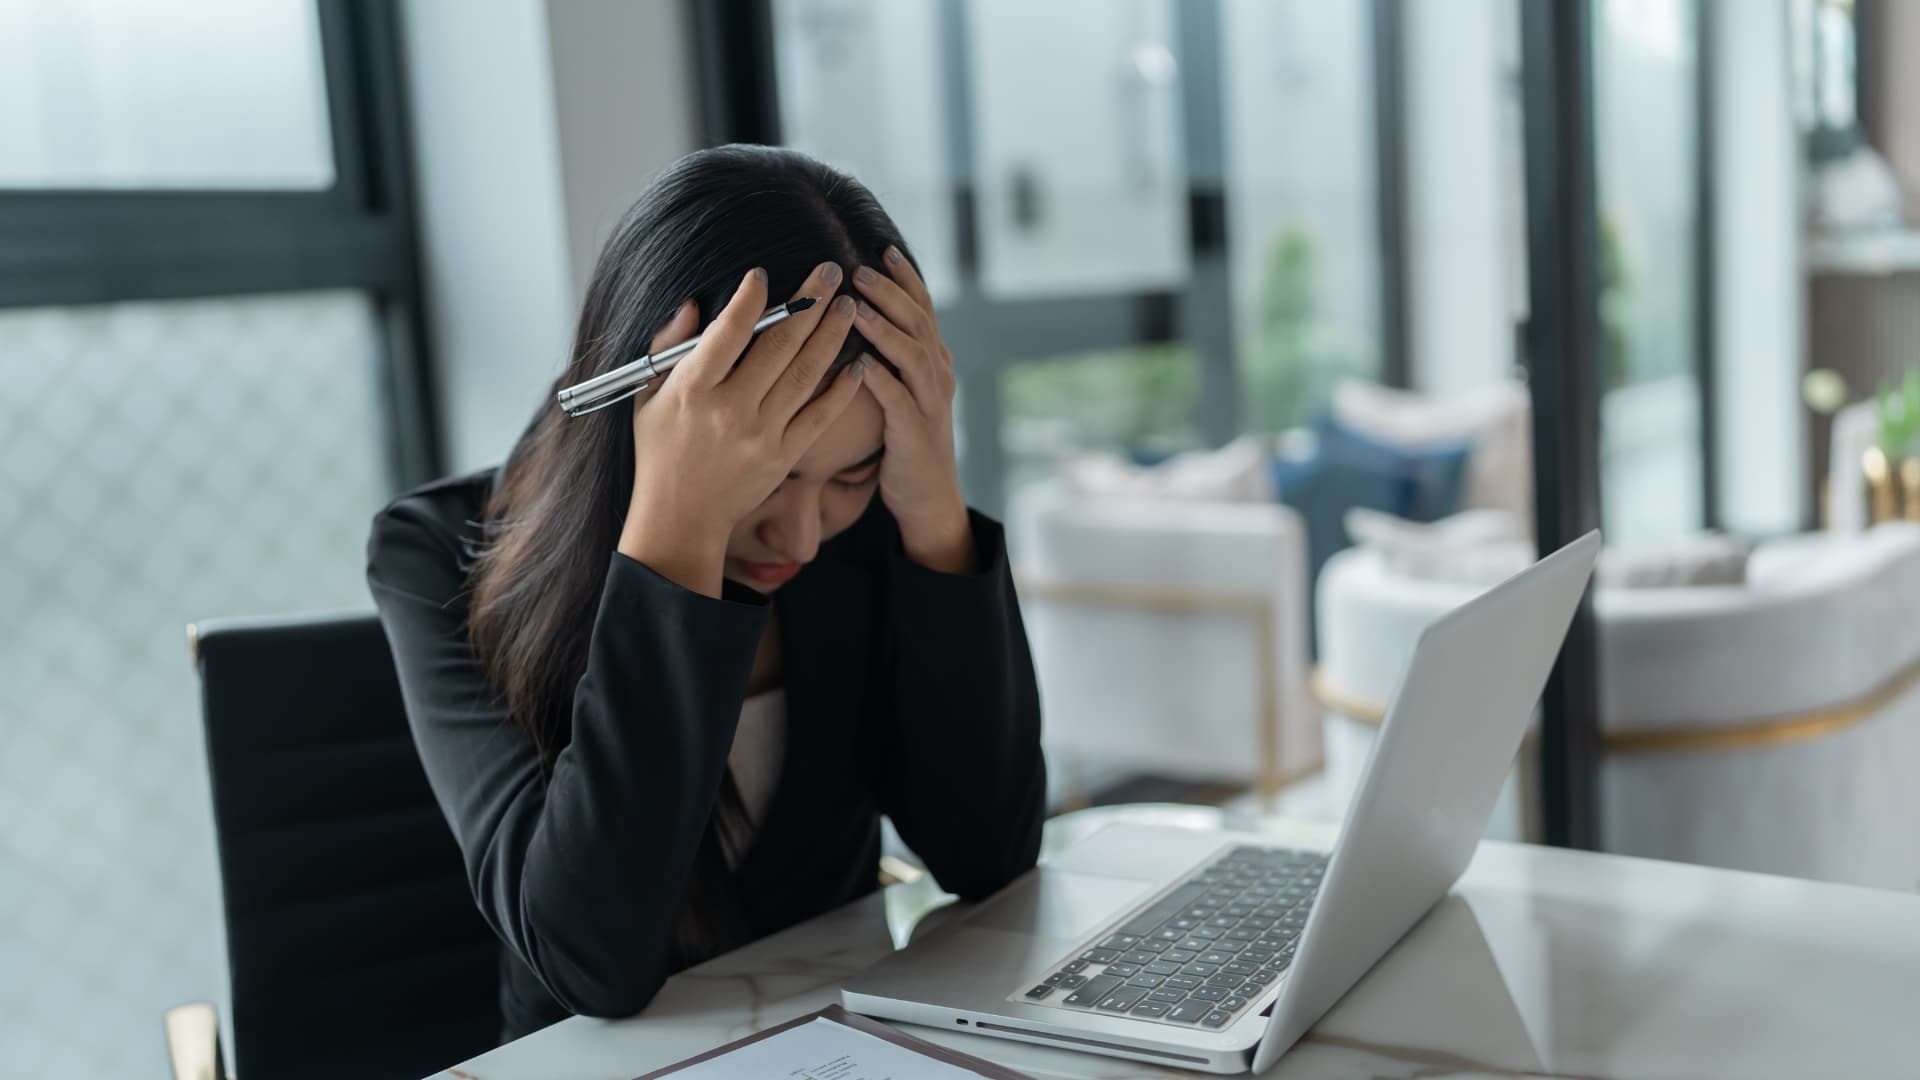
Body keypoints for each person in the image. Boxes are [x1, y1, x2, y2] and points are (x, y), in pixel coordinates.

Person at [366, 145, 1046, 1041]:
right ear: (650, 414)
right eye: (770, 477)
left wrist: (931, 509)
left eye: (851, 476)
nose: (802, 537)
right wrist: (674, 529)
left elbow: (987, 856)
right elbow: (590, 962)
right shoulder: (435, 554)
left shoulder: (878, 527)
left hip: (846, 1046)